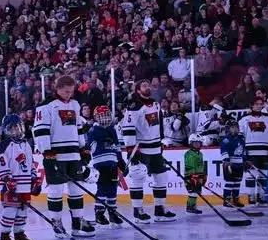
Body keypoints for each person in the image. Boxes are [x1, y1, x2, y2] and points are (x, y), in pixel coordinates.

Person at [32, 75, 95, 239]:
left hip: (73, 154)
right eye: (66, 91)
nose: (69, 94)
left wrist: (83, 148)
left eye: (71, 92)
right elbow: (40, 131)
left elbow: (78, 128)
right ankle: (57, 223)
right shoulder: (45, 106)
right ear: (58, 88)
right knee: (56, 191)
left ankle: (77, 223)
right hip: (55, 155)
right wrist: (47, 153)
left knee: (76, 190)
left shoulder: (74, 104)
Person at [121, 80, 176, 223]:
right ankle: (138, 211)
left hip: (155, 148)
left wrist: (161, 142)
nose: (147, 87)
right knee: (138, 179)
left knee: (161, 178)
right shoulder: (134, 107)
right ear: (138, 90)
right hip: (142, 149)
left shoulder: (156, 104)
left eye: (148, 85)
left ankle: (160, 210)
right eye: (144, 86)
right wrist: (131, 150)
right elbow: (128, 128)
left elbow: (159, 125)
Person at [0, 113, 40, 240]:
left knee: (22, 212)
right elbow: (2, 163)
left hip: (25, 185)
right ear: (6, 130)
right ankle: (4, 236)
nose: (15, 130)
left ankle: (19, 235)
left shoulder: (26, 144)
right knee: (10, 211)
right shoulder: (5, 144)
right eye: (12, 128)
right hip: (11, 185)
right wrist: (7, 178)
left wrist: (34, 178)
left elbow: (31, 163)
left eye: (17, 127)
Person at [86, 105, 126, 228]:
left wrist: (121, 161)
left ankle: (112, 213)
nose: (105, 118)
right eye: (102, 116)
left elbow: (117, 147)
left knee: (112, 188)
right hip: (100, 164)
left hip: (112, 163)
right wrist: (102, 144)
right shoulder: (93, 130)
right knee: (102, 188)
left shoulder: (112, 130)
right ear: (96, 117)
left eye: (107, 115)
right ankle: (99, 213)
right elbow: (91, 147)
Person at [238, 96, 268, 207]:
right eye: (256, 104)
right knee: (250, 175)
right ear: (251, 105)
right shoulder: (244, 119)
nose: (259, 106)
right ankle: (251, 197)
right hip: (250, 152)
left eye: (261, 104)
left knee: (263, 175)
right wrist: (242, 152)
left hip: (265, 151)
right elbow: (241, 137)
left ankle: (261, 197)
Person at [220, 120, 246, 208]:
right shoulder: (226, 140)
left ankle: (235, 200)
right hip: (230, 164)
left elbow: (243, 150)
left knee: (237, 182)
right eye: (233, 127)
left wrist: (245, 160)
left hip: (239, 164)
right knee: (229, 182)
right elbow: (224, 150)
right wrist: (227, 161)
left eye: (236, 127)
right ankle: (227, 200)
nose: (235, 129)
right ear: (229, 129)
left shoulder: (241, 138)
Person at [183, 134, 206, 215]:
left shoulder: (200, 154)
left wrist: (203, 175)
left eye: (198, 143)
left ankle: (193, 206)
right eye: (195, 143)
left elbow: (201, 166)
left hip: (198, 176)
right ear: (190, 143)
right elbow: (189, 167)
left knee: (196, 192)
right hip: (190, 177)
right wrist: (193, 176)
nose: (197, 145)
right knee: (192, 192)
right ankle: (190, 207)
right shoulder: (188, 154)